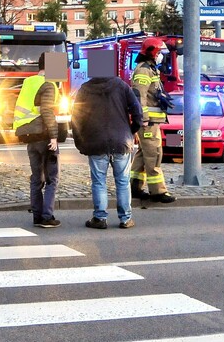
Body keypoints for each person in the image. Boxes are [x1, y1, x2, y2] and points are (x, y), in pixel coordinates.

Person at [72, 72, 143, 229]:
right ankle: (125, 219)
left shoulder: (85, 89)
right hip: (121, 141)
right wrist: (131, 130)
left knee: (99, 182)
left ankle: (100, 218)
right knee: (123, 182)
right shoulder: (121, 86)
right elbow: (137, 112)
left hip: (96, 142)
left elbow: (76, 118)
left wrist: (80, 141)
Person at [12, 52, 61, 228]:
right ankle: (47, 217)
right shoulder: (48, 84)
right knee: (51, 178)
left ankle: (37, 216)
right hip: (43, 134)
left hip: (28, 135)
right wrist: (54, 136)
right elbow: (47, 111)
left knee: (36, 178)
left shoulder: (29, 82)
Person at [129, 37, 176, 203]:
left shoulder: (150, 69)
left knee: (144, 154)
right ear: (153, 52)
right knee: (154, 154)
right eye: (160, 52)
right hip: (147, 123)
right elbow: (138, 97)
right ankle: (158, 191)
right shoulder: (144, 71)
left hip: (151, 122)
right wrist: (144, 119)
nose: (161, 55)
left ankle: (134, 187)